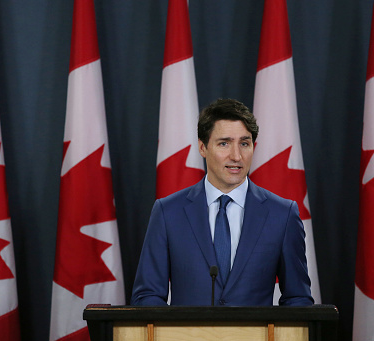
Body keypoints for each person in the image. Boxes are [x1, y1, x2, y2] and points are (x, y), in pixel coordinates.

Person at [131, 98, 313, 306]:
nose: (236, 156)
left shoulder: (282, 214)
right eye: (224, 143)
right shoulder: (168, 212)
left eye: (244, 144)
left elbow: (298, 298)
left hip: (256, 339)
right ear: (202, 147)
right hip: (186, 339)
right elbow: (147, 296)